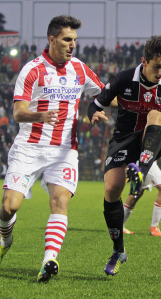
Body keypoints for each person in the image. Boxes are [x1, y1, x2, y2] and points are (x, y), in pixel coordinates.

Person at [0, 15, 104, 282]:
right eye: (68, 40)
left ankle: (49, 260)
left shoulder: (80, 69)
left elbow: (103, 94)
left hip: (64, 150)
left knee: (60, 202)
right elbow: (18, 113)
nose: (72, 46)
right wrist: (40, 116)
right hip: (29, 148)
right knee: (9, 207)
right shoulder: (32, 69)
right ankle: (5, 234)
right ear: (52, 39)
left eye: (75, 41)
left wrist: (98, 109)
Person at [88, 35, 161, 276]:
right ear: (144, 61)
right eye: (157, 66)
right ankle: (118, 250)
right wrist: (93, 114)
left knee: (156, 115)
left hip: (156, 138)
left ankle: (141, 172)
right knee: (112, 190)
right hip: (124, 138)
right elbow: (95, 104)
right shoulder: (122, 79)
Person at [123, 154, 161, 237]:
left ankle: (118, 225)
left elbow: (158, 144)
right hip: (147, 160)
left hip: (145, 161)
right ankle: (154, 227)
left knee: (137, 193)